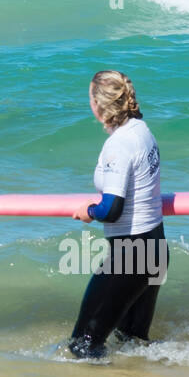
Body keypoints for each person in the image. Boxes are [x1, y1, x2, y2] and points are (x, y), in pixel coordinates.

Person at [68, 70, 167, 359]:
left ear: (98, 105)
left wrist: (89, 211)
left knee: (83, 346)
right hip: (156, 250)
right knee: (132, 345)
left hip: (131, 257)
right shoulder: (142, 131)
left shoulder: (119, 144)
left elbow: (112, 209)